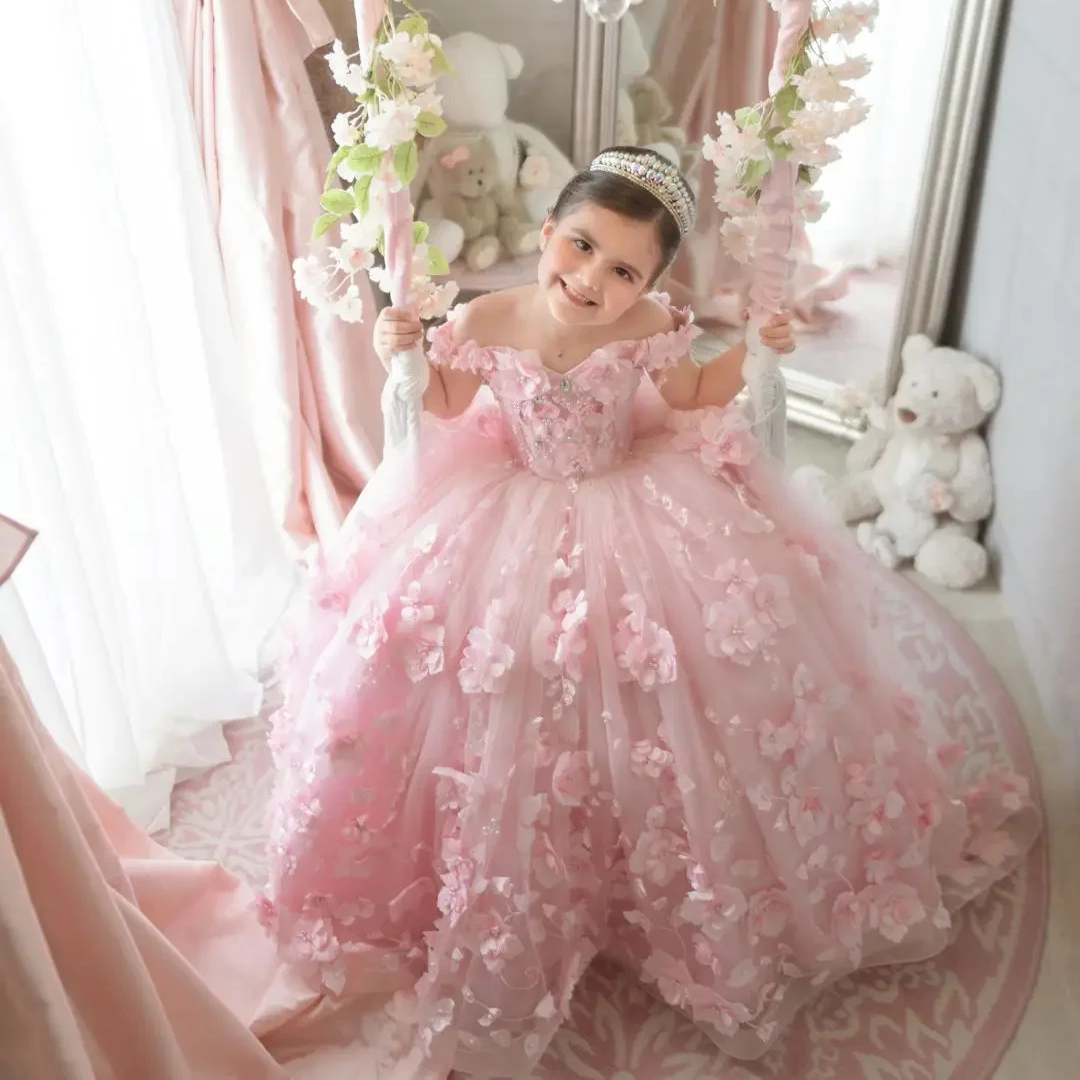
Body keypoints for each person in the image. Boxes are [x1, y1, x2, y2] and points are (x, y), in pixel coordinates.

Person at [260, 147, 1039, 1078]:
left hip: (630, 500)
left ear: (656, 283)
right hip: (508, 507)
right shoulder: (486, 317)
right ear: (547, 233)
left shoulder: (649, 332)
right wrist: (404, 362)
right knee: (493, 676)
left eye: (624, 270)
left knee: (684, 678)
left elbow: (691, 394)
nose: (591, 280)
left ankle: (647, 886)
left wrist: (755, 350)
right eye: (580, 247)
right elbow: (447, 399)